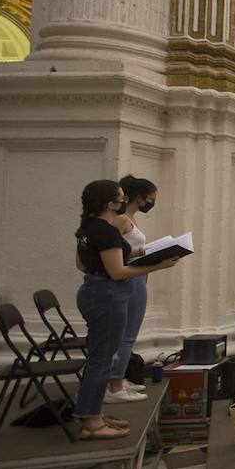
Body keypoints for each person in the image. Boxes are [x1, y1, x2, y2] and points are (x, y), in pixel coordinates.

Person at [73, 180, 178, 440]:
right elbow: (118, 272)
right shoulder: (107, 232)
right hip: (108, 296)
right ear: (110, 203)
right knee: (102, 361)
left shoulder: (88, 228)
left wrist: (146, 251)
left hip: (93, 290)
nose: (124, 200)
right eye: (120, 198)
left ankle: (93, 413)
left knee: (100, 357)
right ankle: (93, 423)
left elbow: (82, 265)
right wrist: (158, 266)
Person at [108, 175, 158, 400]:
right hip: (130, 279)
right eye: (150, 198)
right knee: (126, 334)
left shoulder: (130, 219)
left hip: (138, 277)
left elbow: (128, 250)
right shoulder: (120, 221)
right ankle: (115, 385)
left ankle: (119, 378)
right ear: (139, 198)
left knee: (129, 333)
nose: (151, 203)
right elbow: (117, 253)